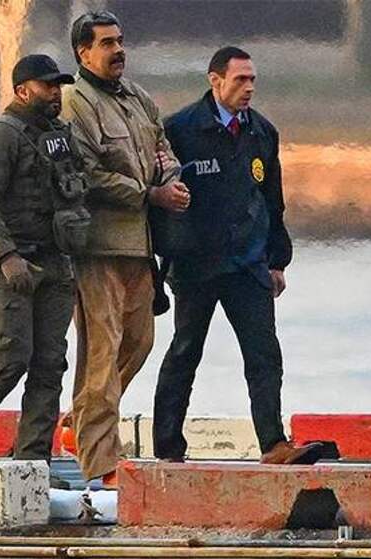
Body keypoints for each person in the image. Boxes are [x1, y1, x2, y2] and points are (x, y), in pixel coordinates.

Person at [153, 47, 322, 465]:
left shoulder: (262, 132)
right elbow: (160, 201)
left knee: (264, 353)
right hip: (196, 265)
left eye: (252, 80)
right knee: (185, 352)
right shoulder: (180, 129)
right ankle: (168, 448)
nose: (248, 88)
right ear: (215, 81)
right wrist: (162, 257)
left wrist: (277, 260)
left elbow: (272, 200)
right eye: (239, 80)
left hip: (247, 263)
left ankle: (273, 443)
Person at [59, 11, 189, 488]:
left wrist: (170, 178)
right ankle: (101, 464)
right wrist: (148, 193)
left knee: (140, 341)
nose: (118, 50)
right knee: (102, 348)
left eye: (120, 41)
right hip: (98, 246)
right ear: (83, 52)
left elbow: (163, 149)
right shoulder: (76, 102)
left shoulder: (137, 98)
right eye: (107, 43)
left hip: (140, 245)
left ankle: (78, 421)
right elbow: (87, 173)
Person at [0, 54, 87, 476]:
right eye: (47, 86)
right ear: (23, 91)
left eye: (59, 86)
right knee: (11, 357)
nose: (55, 93)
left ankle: (33, 459)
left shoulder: (60, 136)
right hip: (13, 266)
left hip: (56, 263)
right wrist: (7, 256)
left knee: (50, 364)